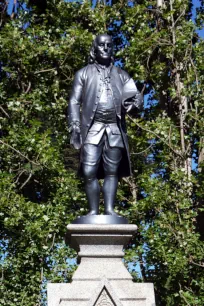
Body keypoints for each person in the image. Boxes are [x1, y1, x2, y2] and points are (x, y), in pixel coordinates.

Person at [68, 34, 143, 217]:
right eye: (101, 45)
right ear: (95, 48)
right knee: (89, 170)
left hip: (114, 128)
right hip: (92, 128)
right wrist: (75, 125)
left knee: (112, 171)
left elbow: (134, 99)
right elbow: (74, 101)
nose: (105, 48)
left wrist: (138, 102)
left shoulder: (122, 75)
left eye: (109, 45)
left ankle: (109, 210)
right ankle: (93, 211)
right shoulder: (83, 73)